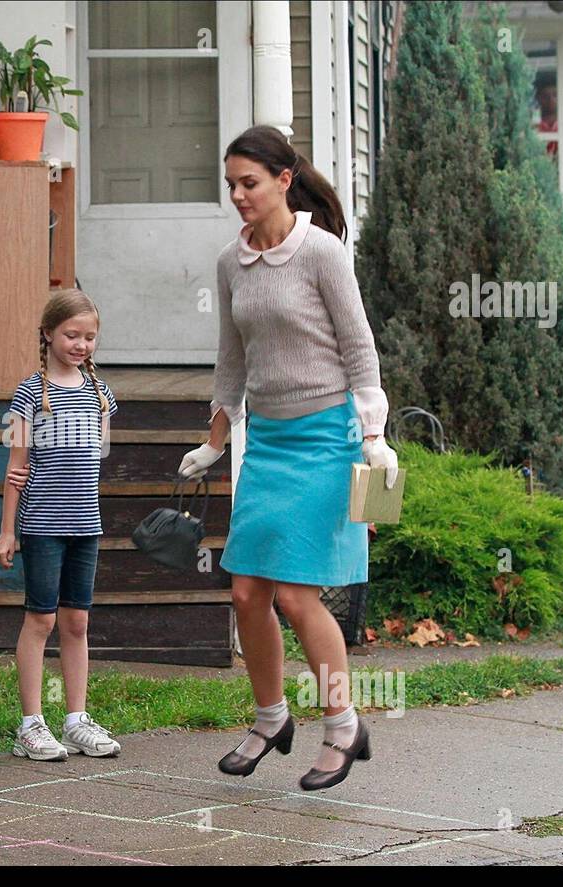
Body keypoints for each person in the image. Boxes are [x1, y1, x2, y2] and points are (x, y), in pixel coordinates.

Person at [178, 125, 399, 791]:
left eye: (249, 183)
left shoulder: (322, 253)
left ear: (283, 178)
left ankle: (342, 725)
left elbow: (358, 347)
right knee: (248, 590)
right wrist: (214, 441)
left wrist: (374, 434)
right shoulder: (229, 262)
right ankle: (272, 716)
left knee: (300, 595)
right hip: (268, 444)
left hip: (328, 439)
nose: (239, 197)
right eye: (231, 186)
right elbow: (232, 359)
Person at [0, 289, 122, 762]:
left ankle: (75, 721)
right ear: (47, 334)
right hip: (42, 524)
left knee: (77, 621)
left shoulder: (100, 394)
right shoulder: (27, 395)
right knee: (41, 619)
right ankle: (30, 725)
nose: (81, 344)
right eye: (71, 334)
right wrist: (8, 530)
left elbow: (98, 454)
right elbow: (16, 468)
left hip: (86, 523)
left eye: (90, 336)